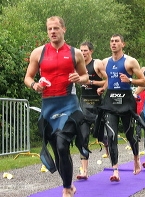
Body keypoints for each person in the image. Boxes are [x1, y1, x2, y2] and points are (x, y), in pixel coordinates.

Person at [24, 16, 89, 197]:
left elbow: (85, 77)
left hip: (68, 104)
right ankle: (68, 184)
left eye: (56, 28)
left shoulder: (75, 53)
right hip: (49, 107)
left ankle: (66, 189)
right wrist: (34, 85)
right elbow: (28, 77)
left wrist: (79, 78)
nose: (52, 32)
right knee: (57, 150)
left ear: (63, 30)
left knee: (62, 146)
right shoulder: (38, 53)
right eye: (49, 29)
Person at [96, 34, 145, 182]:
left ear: (123, 44)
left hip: (126, 102)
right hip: (111, 102)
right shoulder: (105, 62)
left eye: (117, 41)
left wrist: (130, 80)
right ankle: (115, 170)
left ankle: (136, 158)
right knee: (111, 136)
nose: (113, 43)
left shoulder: (130, 61)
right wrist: (103, 88)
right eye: (111, 41)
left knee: (130, 135)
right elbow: (108, 78)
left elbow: (143, 82)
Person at [77, 41, 108, 180]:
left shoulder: (97, 64)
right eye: (81, 50)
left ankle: (107, 146)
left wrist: (96, 84)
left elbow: (108, 80)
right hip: (84, 104)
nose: (83, 53)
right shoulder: (78, 65)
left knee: (102, 136)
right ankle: (84, 171)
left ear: (91, 51)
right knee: (83, 137)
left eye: (85, 51)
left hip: (97, 104)